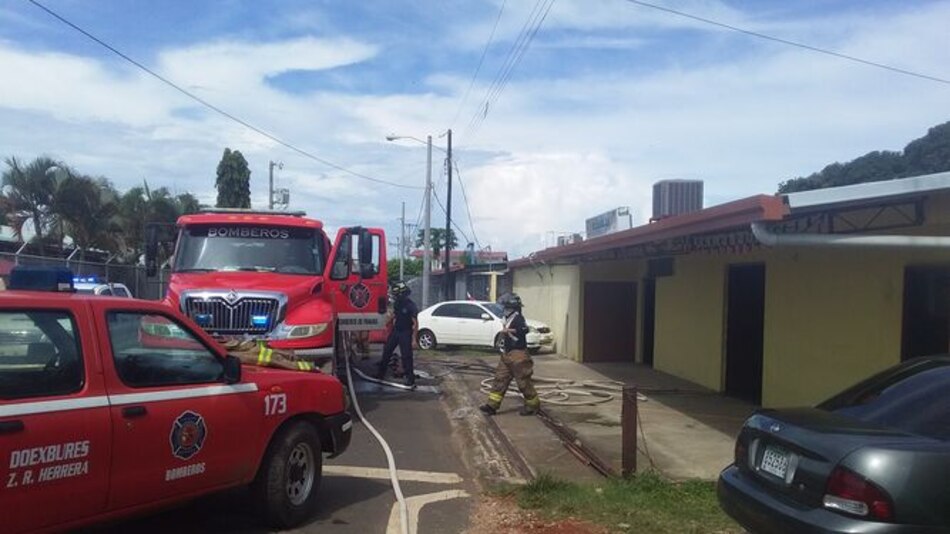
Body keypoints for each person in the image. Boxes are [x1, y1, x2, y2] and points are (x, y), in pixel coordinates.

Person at [480, 293, 540, 416]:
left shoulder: (518, 318)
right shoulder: (508, 318)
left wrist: (512, 331)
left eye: (505, 307)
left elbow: (524, 329)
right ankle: (492, 406)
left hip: (518, 355)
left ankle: (532, 406)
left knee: (523, 382)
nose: (503, 309)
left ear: (511, 307)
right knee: (500, 379)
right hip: (506, 354)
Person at [376, 281, 419, 388]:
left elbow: (415, 323)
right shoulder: (398, 304)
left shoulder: (411, 306)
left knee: (406, 356)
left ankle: (410, 379)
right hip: (396, 331)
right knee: (387, 351)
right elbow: (394, 316)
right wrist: (383, 324)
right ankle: (380, 374)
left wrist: (414, 339)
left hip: (406, 332)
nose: (395, 297)